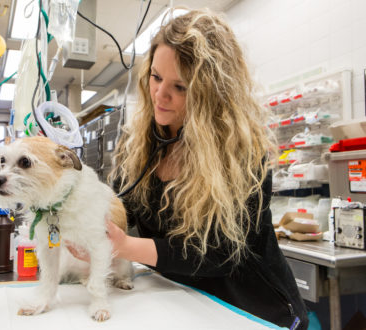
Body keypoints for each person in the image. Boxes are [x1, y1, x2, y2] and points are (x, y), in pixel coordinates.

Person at [105, 8, 308, 329]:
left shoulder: (242, 153)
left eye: (180, 87)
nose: (160, 94)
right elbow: (120, 208)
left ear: (211, 91)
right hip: (184, 302)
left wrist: (127, 246)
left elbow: (221, 254)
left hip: (252, 308)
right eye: (156, 77)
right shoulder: (139, 146)